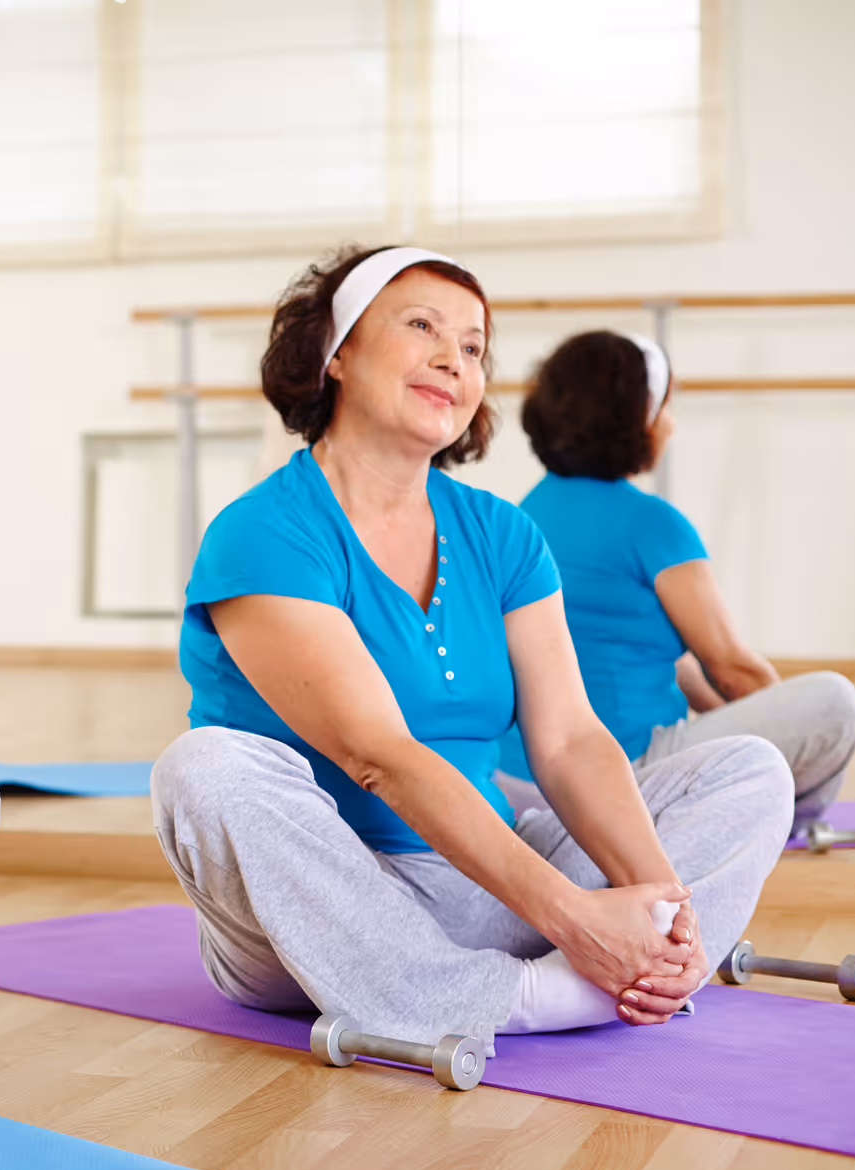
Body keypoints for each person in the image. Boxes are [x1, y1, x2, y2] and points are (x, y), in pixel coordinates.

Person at [150, 246, 794, 1052]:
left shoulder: (504, 534)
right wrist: (572, 917)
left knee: (751, 770)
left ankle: (639, 968)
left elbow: (568, 741)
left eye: (473, 347)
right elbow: (377, 753)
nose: (451, 360)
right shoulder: (265, 531)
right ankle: (526, 996)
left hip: (484, 890)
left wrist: (660, 901)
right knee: (203, 767)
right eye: (422, 326)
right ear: (337, 353)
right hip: (321, 914)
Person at [494, 331, 855, 832]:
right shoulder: (651, 523)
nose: (671, 424)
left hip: (522, 776)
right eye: (663, 408)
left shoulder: (523, 513)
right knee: (834, 702)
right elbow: (732, 669)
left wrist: (716, 723)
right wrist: (779, 720)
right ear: (633, 420)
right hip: (624, 772)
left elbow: (673, 661)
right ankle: (796, 821)